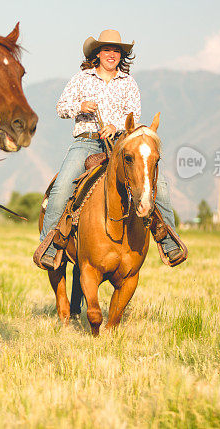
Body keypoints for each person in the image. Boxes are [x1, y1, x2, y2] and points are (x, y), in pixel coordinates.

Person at [38, 29, 187, 312]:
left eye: (117, 51)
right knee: (60, 189)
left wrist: (117, 127)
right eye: (107, 50)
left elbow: (135, 115)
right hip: (86, 143)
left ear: (122, 55)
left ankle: (167, 239)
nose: (112, 55)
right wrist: (79, 107)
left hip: (120, 145)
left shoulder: (128, 83)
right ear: (96, 54)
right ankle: (52, 246)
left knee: (159, 185)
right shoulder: (81, 79)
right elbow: (60, 107)